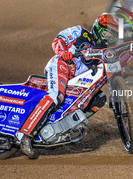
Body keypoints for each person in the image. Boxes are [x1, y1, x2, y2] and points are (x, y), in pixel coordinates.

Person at [19, 13, 120, 157]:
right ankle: (26, 136)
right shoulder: (80, 32)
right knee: (56, 96)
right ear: (98, 28)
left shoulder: (103, 54)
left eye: (111, 37)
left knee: (100, 98)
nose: (106, 38)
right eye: (105, 33)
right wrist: (63, 52)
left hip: (76, 82)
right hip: (62, 65)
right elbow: (58, 39)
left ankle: (64, 128)